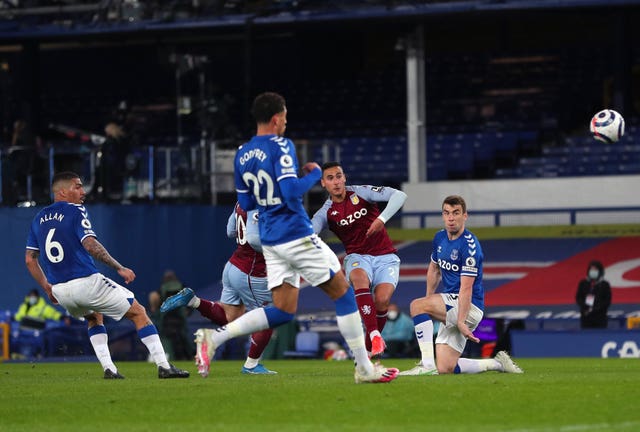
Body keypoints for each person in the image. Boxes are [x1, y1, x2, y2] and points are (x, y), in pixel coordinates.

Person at [195, 91, 398, 383]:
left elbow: (247, 203)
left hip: (271, 240)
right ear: (277, 119)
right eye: (286, 118)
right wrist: (314, 176)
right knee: (342, 292)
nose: (286, 124)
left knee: (282, 310)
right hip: (294, 232)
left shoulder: (242, 155)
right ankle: (365, 369)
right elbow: (292, 191)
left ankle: (213, 339)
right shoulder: (281, 146)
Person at [24, 171, 189, 379]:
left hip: (61, 291)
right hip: (85, 282)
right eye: (78, 186)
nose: (83, 191)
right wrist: (119, 267)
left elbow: (30, 259)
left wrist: (47, 287)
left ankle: (109, 369)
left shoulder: (38, 219)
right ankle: (164, 366)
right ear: (62, 191)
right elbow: (90, 244)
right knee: (138, 312)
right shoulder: (76, 211)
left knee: (94, 316)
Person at [399, 195, 523, 376]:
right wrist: (429, 299)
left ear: (465, 216)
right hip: (452, 303)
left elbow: (466, 288)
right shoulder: (439, 238)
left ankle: (426, 365)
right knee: (446, 368)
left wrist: (460, 321)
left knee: (416, 305)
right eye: (447, 213)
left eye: (456, 213)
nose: (451, 218)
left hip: (469, 306)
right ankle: (497, 364)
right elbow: (434, 269)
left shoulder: (470, 246)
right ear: (442, 215)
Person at [161, 203, 277, 374]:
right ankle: (251, 365)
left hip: (232, 266)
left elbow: (230, 231)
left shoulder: (241, 201)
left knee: (231, 319)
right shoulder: (260, 201)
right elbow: (253, 239)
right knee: (268, 317)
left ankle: (193, 301)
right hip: (251, 271)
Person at [311, 161, 407, 356]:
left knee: (382, 301)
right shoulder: (326, 212)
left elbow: (400, 195)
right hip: (357, 257)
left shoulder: (362, 192)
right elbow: (310, 232)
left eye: (339, 176)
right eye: (330, 178)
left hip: (386, 256)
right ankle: (374, 335)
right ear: (323, 183)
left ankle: (369, 350)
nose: (336, 182)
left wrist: (381, 219)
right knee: (359, 278)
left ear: (344, 177)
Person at [150, 270, 194, 360]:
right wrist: (187, 311)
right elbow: (191, 301)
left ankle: (169, 360)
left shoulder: (161, 289)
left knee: (167, 349)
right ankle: (192, 357)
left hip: (166, 324)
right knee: (186, 345)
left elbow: (153, 298)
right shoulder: (182, 287)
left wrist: (155, 311)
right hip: (180, 323)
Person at [575, 260, 612, 329]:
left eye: (595, 270)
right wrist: (585, 307)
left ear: (600, 271)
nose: (593, 272)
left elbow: (607, 301)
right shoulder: (583, 283)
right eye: (591, 269)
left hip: (600, 317)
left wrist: (596, 309)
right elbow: (578, 297)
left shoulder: (604, 285)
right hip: (586, 317)